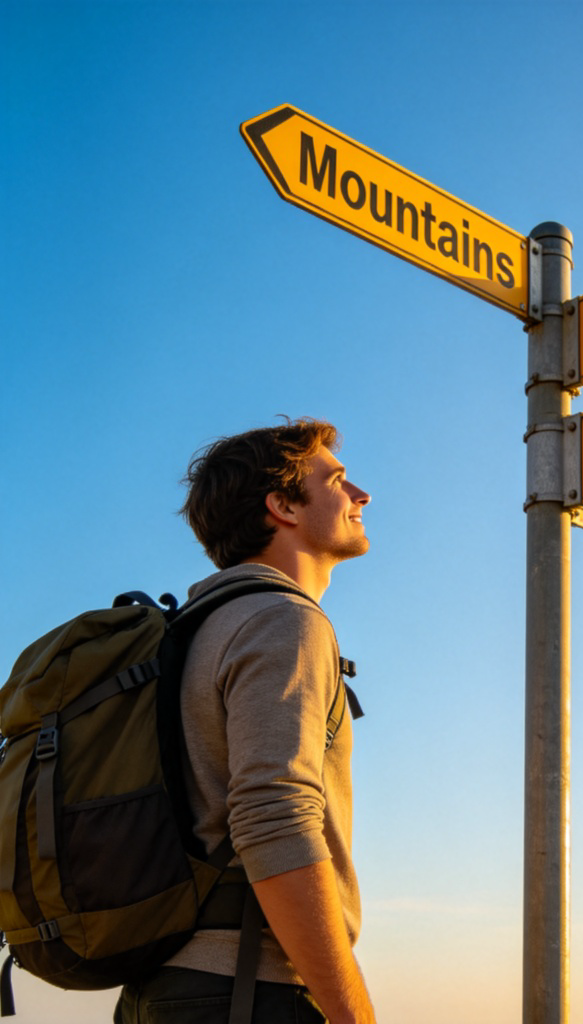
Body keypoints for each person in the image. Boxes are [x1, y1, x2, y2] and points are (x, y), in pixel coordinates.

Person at [113, 417, 376, 1024]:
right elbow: (274, 818)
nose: (361, 495)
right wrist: (351, 1013)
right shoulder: (283, 619)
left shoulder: (192, 630)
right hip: (243, 991)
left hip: (162, 987)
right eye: (337, 480)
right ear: (281, 505)